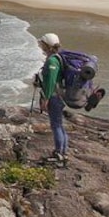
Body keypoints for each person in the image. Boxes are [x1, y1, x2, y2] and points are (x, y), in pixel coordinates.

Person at [37, 32, 68, 166]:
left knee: (56, 125)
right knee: (59, 124)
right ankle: (63, 151)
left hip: (55, 97)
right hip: (60, 96)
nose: (41, 46)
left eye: (43, 44)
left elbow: (50, 82)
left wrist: (46, 99)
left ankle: (59, 153)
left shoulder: (52, 61)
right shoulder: (57, 58)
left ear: (47, 46)